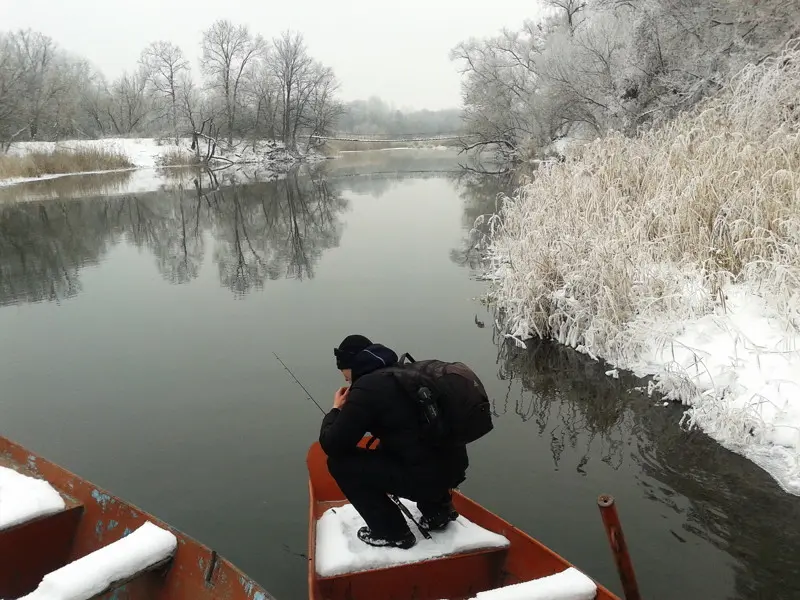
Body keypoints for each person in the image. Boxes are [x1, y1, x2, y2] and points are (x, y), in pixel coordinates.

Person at [319, 334, 468, 549]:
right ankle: (438, 513)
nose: (344, 378)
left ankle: (392, 532)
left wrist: (335, 410)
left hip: (424, 479)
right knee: (409, 445)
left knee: (339, 463)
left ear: (350, 364)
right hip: (453, 469)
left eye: (342, 369)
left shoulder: (366, 389)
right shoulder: (405, 373)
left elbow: (333, 444)